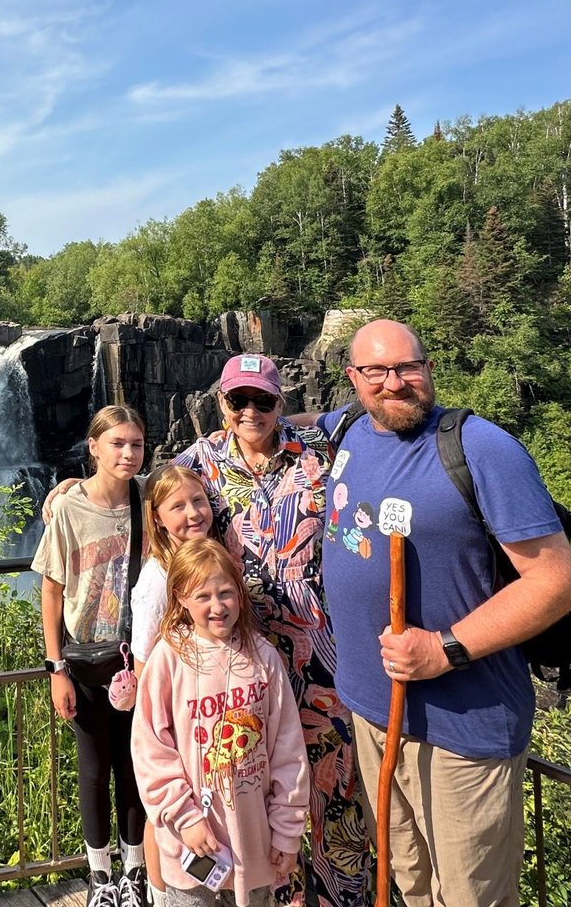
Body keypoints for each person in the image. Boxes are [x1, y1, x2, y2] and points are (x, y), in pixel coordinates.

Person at [315, 319, 571, 907]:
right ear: (353, 379)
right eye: (377, 372)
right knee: (408, 879)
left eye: (409, 367)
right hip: (372, 713)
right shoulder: (349, 429)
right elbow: (289, 426)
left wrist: (444, 649)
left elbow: (558, 583)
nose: (395, 383)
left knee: (467, 896)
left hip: (462, 728)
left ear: (429, 369)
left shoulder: (482, 449)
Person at [172, 355, 369, 907]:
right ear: (222, 404)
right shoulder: (199, 463)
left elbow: (371, 413)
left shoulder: (321, 453)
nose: (250, 411)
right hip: (244, 661)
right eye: (239, 400)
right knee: (257, 790)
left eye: (263, 400)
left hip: (325, 658)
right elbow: (149, 499)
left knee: (336, 789)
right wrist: (75, 486)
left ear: (281, 404)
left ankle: (340, 897)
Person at [132, 538, 311, 907]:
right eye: (203, 596)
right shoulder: (169, 658)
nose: (217, 607)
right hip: (192, 847)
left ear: (241, 595)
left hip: (253, 847)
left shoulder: (264, 658)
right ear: (181, 597)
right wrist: (184, 817)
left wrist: (287, 833)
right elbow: (151, 749)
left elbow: (289, 754)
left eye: (226, 593)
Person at [33, 405, 151, 907]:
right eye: (118, 443)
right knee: (93, 769)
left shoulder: (149, 499)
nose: (128, 453)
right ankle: (100, 876)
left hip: (140, 659)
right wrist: (55, 667)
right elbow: (52, 592)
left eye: (137, 445)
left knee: (135, 766)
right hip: (83, 662)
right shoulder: (68, 507)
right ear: (94, 447)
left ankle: (135, 870)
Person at [129, 464, 221, 907]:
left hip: (213, 718)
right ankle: (161, 895)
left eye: (199, 500)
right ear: (158, 517)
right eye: (177, 506)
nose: (192, 513)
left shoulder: (211, 558)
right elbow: (146, 668)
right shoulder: (156, 581)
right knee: (163, 815)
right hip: (174, 723)